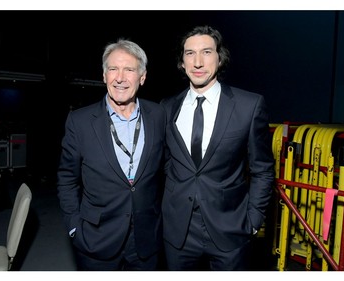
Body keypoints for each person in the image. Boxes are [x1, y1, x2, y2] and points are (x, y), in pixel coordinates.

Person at [160, 25, 275, 270]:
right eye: (190, 53)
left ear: (219, 57)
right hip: (178, 232)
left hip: (230, 230)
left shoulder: (249, 106)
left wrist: (253, 220)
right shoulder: (167, 107)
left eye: (207, 52)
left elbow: (263, 169)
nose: (198, 62)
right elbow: (168, 164)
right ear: (182, 61)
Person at [57, 39, 166, 270]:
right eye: (113, 69)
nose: (120, 77)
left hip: (147, 239)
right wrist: (74, 227)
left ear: (142, 77)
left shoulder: (159, 115)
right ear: (104, 75)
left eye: (129, 69)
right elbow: (67, 178)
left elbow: (168, 170)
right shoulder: (80, 121)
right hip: (96, 240)